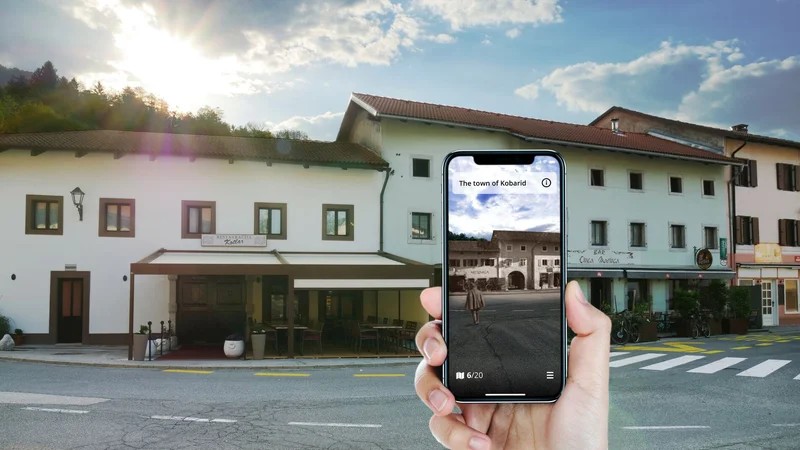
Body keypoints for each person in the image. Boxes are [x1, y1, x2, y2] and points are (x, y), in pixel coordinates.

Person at [414, 280, 611, 449]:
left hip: (547, 427)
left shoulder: (472, 291)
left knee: (473, 314)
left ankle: (475, 320)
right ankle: (475, 320)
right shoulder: (473, 291)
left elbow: (474, 299)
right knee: (471, 316)